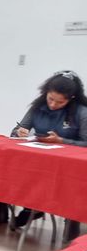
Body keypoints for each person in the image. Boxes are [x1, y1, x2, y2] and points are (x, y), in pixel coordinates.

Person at [10, 71, 87, 238]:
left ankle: (72, 218)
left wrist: (61, 141)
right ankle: (32, 208)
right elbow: (17, 130)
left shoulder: (82, 113)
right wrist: (19, 132)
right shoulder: (37, 107)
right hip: (39, 161)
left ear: (71, 98)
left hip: (70, 166)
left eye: (60, 102)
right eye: (50, 99)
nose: (53, 104)